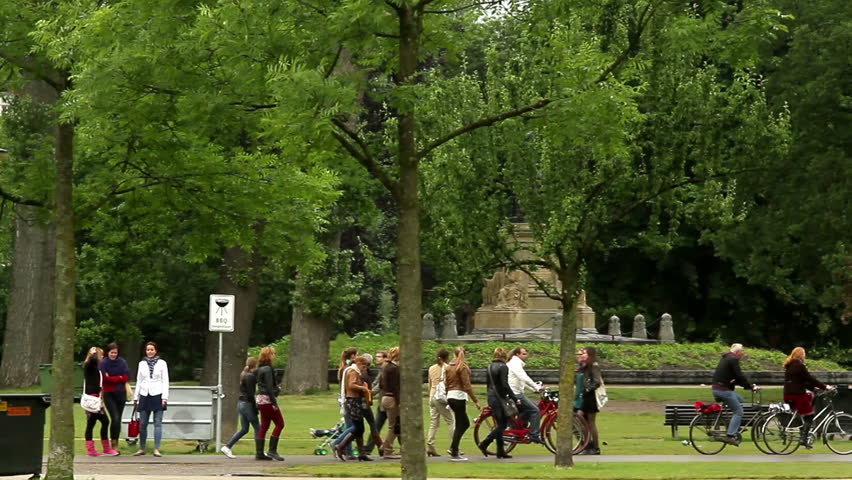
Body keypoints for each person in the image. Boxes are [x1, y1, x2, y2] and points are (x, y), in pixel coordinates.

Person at [711, 343, 759, 446]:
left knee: (740, 400)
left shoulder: (726, 358)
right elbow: (739, 375)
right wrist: (750, 387)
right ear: (738, 352)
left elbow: (734, 377)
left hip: (717, 388)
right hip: (723, 390)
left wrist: (746, 385)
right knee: (738, 411)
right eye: (742, 351)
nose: (743, 353)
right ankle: (730, 435)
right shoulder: (733, 359)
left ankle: (734, 425)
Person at [783, 347, 832, 448]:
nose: (805, 355)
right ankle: (803, 439)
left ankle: (803, 435)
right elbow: (809, 378)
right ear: (800, 355)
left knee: (806, 407)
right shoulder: (800, 365)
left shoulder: (790, 365)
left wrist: (814, 389)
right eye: (804, 353)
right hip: (797, 395)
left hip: (788, 394)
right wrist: (824, 386)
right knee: (809, 415)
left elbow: (802, 381)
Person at [478, 347, 518, 459]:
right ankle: (485, 443)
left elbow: (488, 384)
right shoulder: (503, 367)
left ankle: (500, 451)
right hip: (499, 397)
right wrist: (513, 397)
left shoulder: (490, 366)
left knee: (499, 423)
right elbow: (504, 384)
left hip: (491, 397)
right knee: (502, 424)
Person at [221, 356, 264, 459]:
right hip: (247, 404)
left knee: (244, 429)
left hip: (241, 403)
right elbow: (250, 394)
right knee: (258, 427)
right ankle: (260, 452)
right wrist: (255, 407)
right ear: (255, 365)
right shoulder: (250, 377)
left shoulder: (244, 374)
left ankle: (227, 447)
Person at [133, 341, 169, 457]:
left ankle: (156, 448)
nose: (150, 352)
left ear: (156, 350)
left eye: (152, 349)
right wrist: (136, 397)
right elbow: (139, 380)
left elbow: (165, 381)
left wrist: (164, 397)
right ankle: (142, 448)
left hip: (157, 394)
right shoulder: (141, 364)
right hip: (144, 394)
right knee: (143, 423)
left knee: (157, 423)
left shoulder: (162, 363)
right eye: (148, 350)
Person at [445, 345, 480, 461]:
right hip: (459, 396)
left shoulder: (449, 367)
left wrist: (447, 396)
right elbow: (467, 386)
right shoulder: (462, 367)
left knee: (462, 423)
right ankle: (454, 449)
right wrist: (476, 400)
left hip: (451, 395)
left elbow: (446, 383)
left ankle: (454, 448)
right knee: (463, 423)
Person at [334, 355, 373, 462]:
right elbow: (351, 385)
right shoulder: (353, 372)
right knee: (358, 428)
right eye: (364, 366)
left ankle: (362, 453)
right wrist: (364, 388)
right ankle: (340, 446)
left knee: (359, 429)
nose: (365, 368)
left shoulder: (355, 372)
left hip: (355, 400)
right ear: (359, 364)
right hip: (353, 401)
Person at [83, 346, 119, 456]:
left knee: (95, 422)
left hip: (97, 398)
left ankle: (99, 449)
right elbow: (93, 360)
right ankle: (97, 449)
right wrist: (94, 352)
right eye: (101, 355)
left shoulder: (97, 368)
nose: (102, 357)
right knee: (101, 422)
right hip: (91, 398)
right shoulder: (89, 366)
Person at [507, 346, 544, 444]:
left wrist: (534, 388)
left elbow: (522, 380)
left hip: (514, 392)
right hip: (515, 393)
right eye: (523, 354)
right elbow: (524, 377)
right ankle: (534, 435)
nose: (526, 356)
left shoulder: (514, 363)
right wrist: (536, 387)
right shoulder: (515, 363)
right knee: (535, 410)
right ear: (517, 354)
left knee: (528, 409)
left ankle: (519, 430)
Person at [99, 342, 130, 454]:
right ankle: (113, 444)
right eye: (112, 352)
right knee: (115, 417)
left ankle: (115, 441)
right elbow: (105, 378)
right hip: (109, 393)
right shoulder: (103, 363)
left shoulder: (122, 362)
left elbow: (126, 376)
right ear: (108, 352)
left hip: (121, 393)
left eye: (115, 352)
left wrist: (113, 378)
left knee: (118, 419)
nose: (113, 354)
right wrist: (118, 378)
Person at [256, 346, 285, 461]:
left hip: (260, 399)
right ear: (269, 356)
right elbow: (269, 387)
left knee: (264, 425)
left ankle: (259, 452)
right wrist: (274, 402)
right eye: (273, 354)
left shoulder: (260, 368)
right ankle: (272, 450)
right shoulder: (268, 369)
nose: (275, 356)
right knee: (280, 424)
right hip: (267, 399)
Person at [573, 346, 604, 454]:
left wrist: (586, 390)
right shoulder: (581, 367)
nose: (580, 356)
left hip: (589, 398)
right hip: (579, 398)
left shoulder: (593, 366)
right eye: (579, 354)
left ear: (590, 355)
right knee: (577, 421)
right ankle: (586, 444)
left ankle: (594, 447)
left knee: (588, 422)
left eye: (583, 354)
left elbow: (597, 381)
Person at [426, 348, 455, 457]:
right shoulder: (448, 368)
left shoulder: (431, 368)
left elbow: (430, 383)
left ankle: (430, 445)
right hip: (441, 397)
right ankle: (454, 446)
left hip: (432, 395)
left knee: (434, 422)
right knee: (451, 421)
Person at [331, 347, 359, 460]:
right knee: (353, 427)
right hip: (348, 399)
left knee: (350, 425)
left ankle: (349, 451)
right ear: (352, 356)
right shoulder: (348, 369)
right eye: (357, 355)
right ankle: (337, 443)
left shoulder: (343, 367)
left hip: (343, 398)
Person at [363, 350, 387, 455]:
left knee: (395, 427)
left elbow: (379, 385)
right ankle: (370, 448)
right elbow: (376, 383)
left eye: (379, 356)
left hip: (387, 401)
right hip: (383, 403)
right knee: (377, 426)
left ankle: (372, 448)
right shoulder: (382, 369)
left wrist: (370, 393)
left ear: (385, 358)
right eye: (376, 356)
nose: (377, 358)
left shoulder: (386, 369)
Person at [380, 346, 402, 459]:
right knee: (394, 426)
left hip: (385, 397)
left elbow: (380, 384)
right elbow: (395, 387)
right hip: (392, 398)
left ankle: (386, 446)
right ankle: (387, 449)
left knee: (397, 425)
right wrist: (399, 401)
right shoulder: (394, 368)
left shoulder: (384, 366)